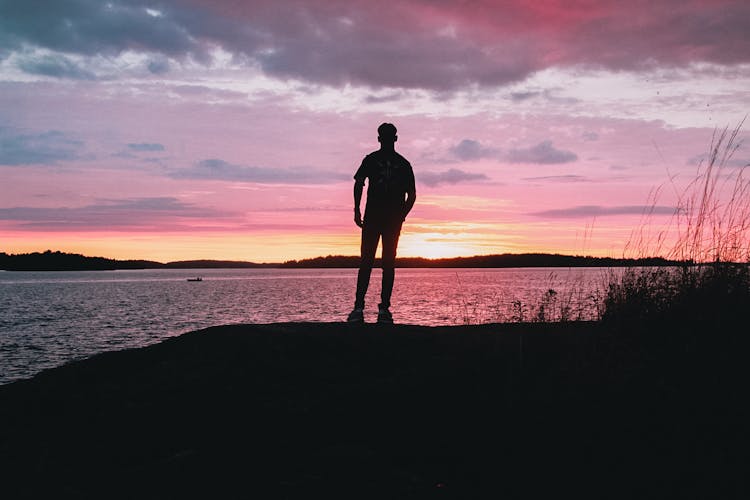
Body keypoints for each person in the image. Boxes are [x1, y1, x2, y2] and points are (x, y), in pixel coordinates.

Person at [347, 123, 416, 324]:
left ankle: (364, 308)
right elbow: (411, 195)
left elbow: (359, 183)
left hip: (378, 218)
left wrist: (357, 209)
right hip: (380, 218)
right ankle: (377, 309)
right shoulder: (401, 163)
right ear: (395, 138)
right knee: (384, 263)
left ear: (380, 139)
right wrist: (401, 215)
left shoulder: (376, 160)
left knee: (370, 262)